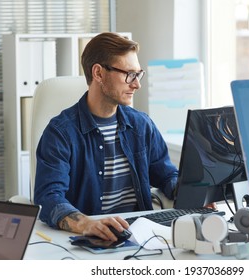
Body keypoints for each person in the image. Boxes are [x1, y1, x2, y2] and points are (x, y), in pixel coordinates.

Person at [34, 32, 178, 242]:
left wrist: (197, 193)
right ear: (99, 73)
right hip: (89, 239)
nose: (136, 84)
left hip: (142, 236)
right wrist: (86, 223)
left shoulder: (141, 125)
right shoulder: (61, 133)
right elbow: (49, 198)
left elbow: (166, 176)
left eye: (138, 75)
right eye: (129, 74)